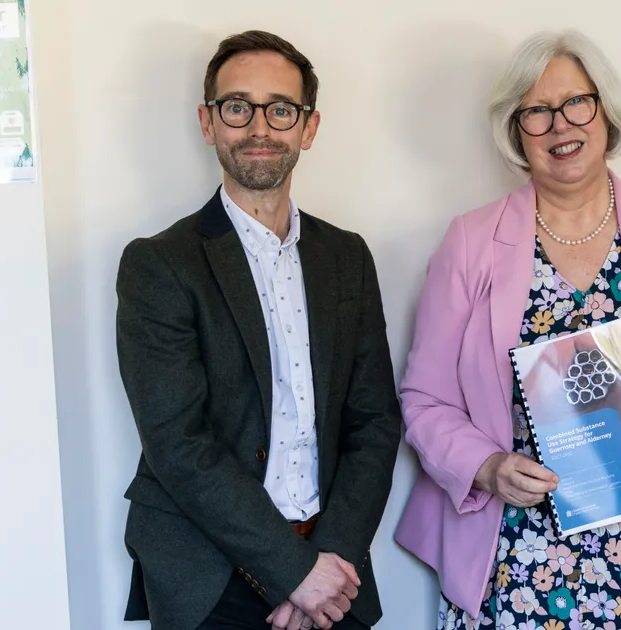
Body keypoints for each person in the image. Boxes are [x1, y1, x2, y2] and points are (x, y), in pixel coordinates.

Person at [394, 29, 621, 629]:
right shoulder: (470, 242)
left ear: (606, 111)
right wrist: (487, 467)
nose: (560, 125)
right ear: (517, 131)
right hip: (515, 557)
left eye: (577, 102)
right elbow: (424, 400)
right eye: (537, 111)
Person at [114, 30, 402, 630]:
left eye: (281, 109)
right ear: (208, 122)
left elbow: (374, 422)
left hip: (334, 564)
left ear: (308, 127)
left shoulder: (347, 257)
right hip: (208, 574)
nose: (259, 127)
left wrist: (330, 562)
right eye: (238, 107)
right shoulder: (160, 264)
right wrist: (292, 572)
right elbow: (178, 444)